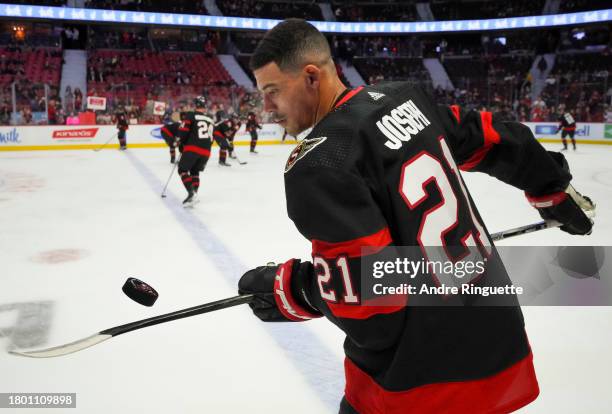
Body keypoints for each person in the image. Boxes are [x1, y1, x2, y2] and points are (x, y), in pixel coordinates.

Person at [237, 19, 594, 414]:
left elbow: (374, 312)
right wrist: (552, 189)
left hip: (417, 383)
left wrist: (297, 289)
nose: (266, 108)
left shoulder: (321, 163)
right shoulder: (405, 98)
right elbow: (490, 137)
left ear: (310, 77)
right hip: (498, 347)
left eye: (272, 92)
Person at [176, 96, 215, 207]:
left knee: (182, 170)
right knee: (194, 172)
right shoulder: (210, 119)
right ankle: (195, 194)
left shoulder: (190, 115)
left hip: (193, 148)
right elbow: (211, 138)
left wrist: (181, 145)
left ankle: (191, 193)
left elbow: (183, 131)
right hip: (206, 151)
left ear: (195, 105)